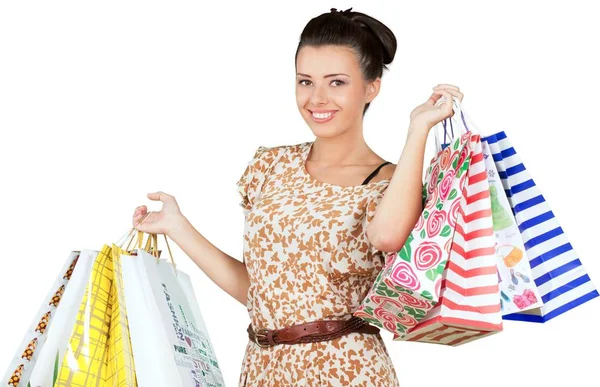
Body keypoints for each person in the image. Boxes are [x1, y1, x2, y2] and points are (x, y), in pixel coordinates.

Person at [132, 7, 464, 386]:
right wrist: (178, 227)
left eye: (336, 82)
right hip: (262, 369)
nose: (317, 98)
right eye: (305, 81)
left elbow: (387, 237)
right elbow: (257, 290)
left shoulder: (390, 182)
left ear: (371, 86)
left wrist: (417, 130)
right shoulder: (271, 166)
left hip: (346, 369)